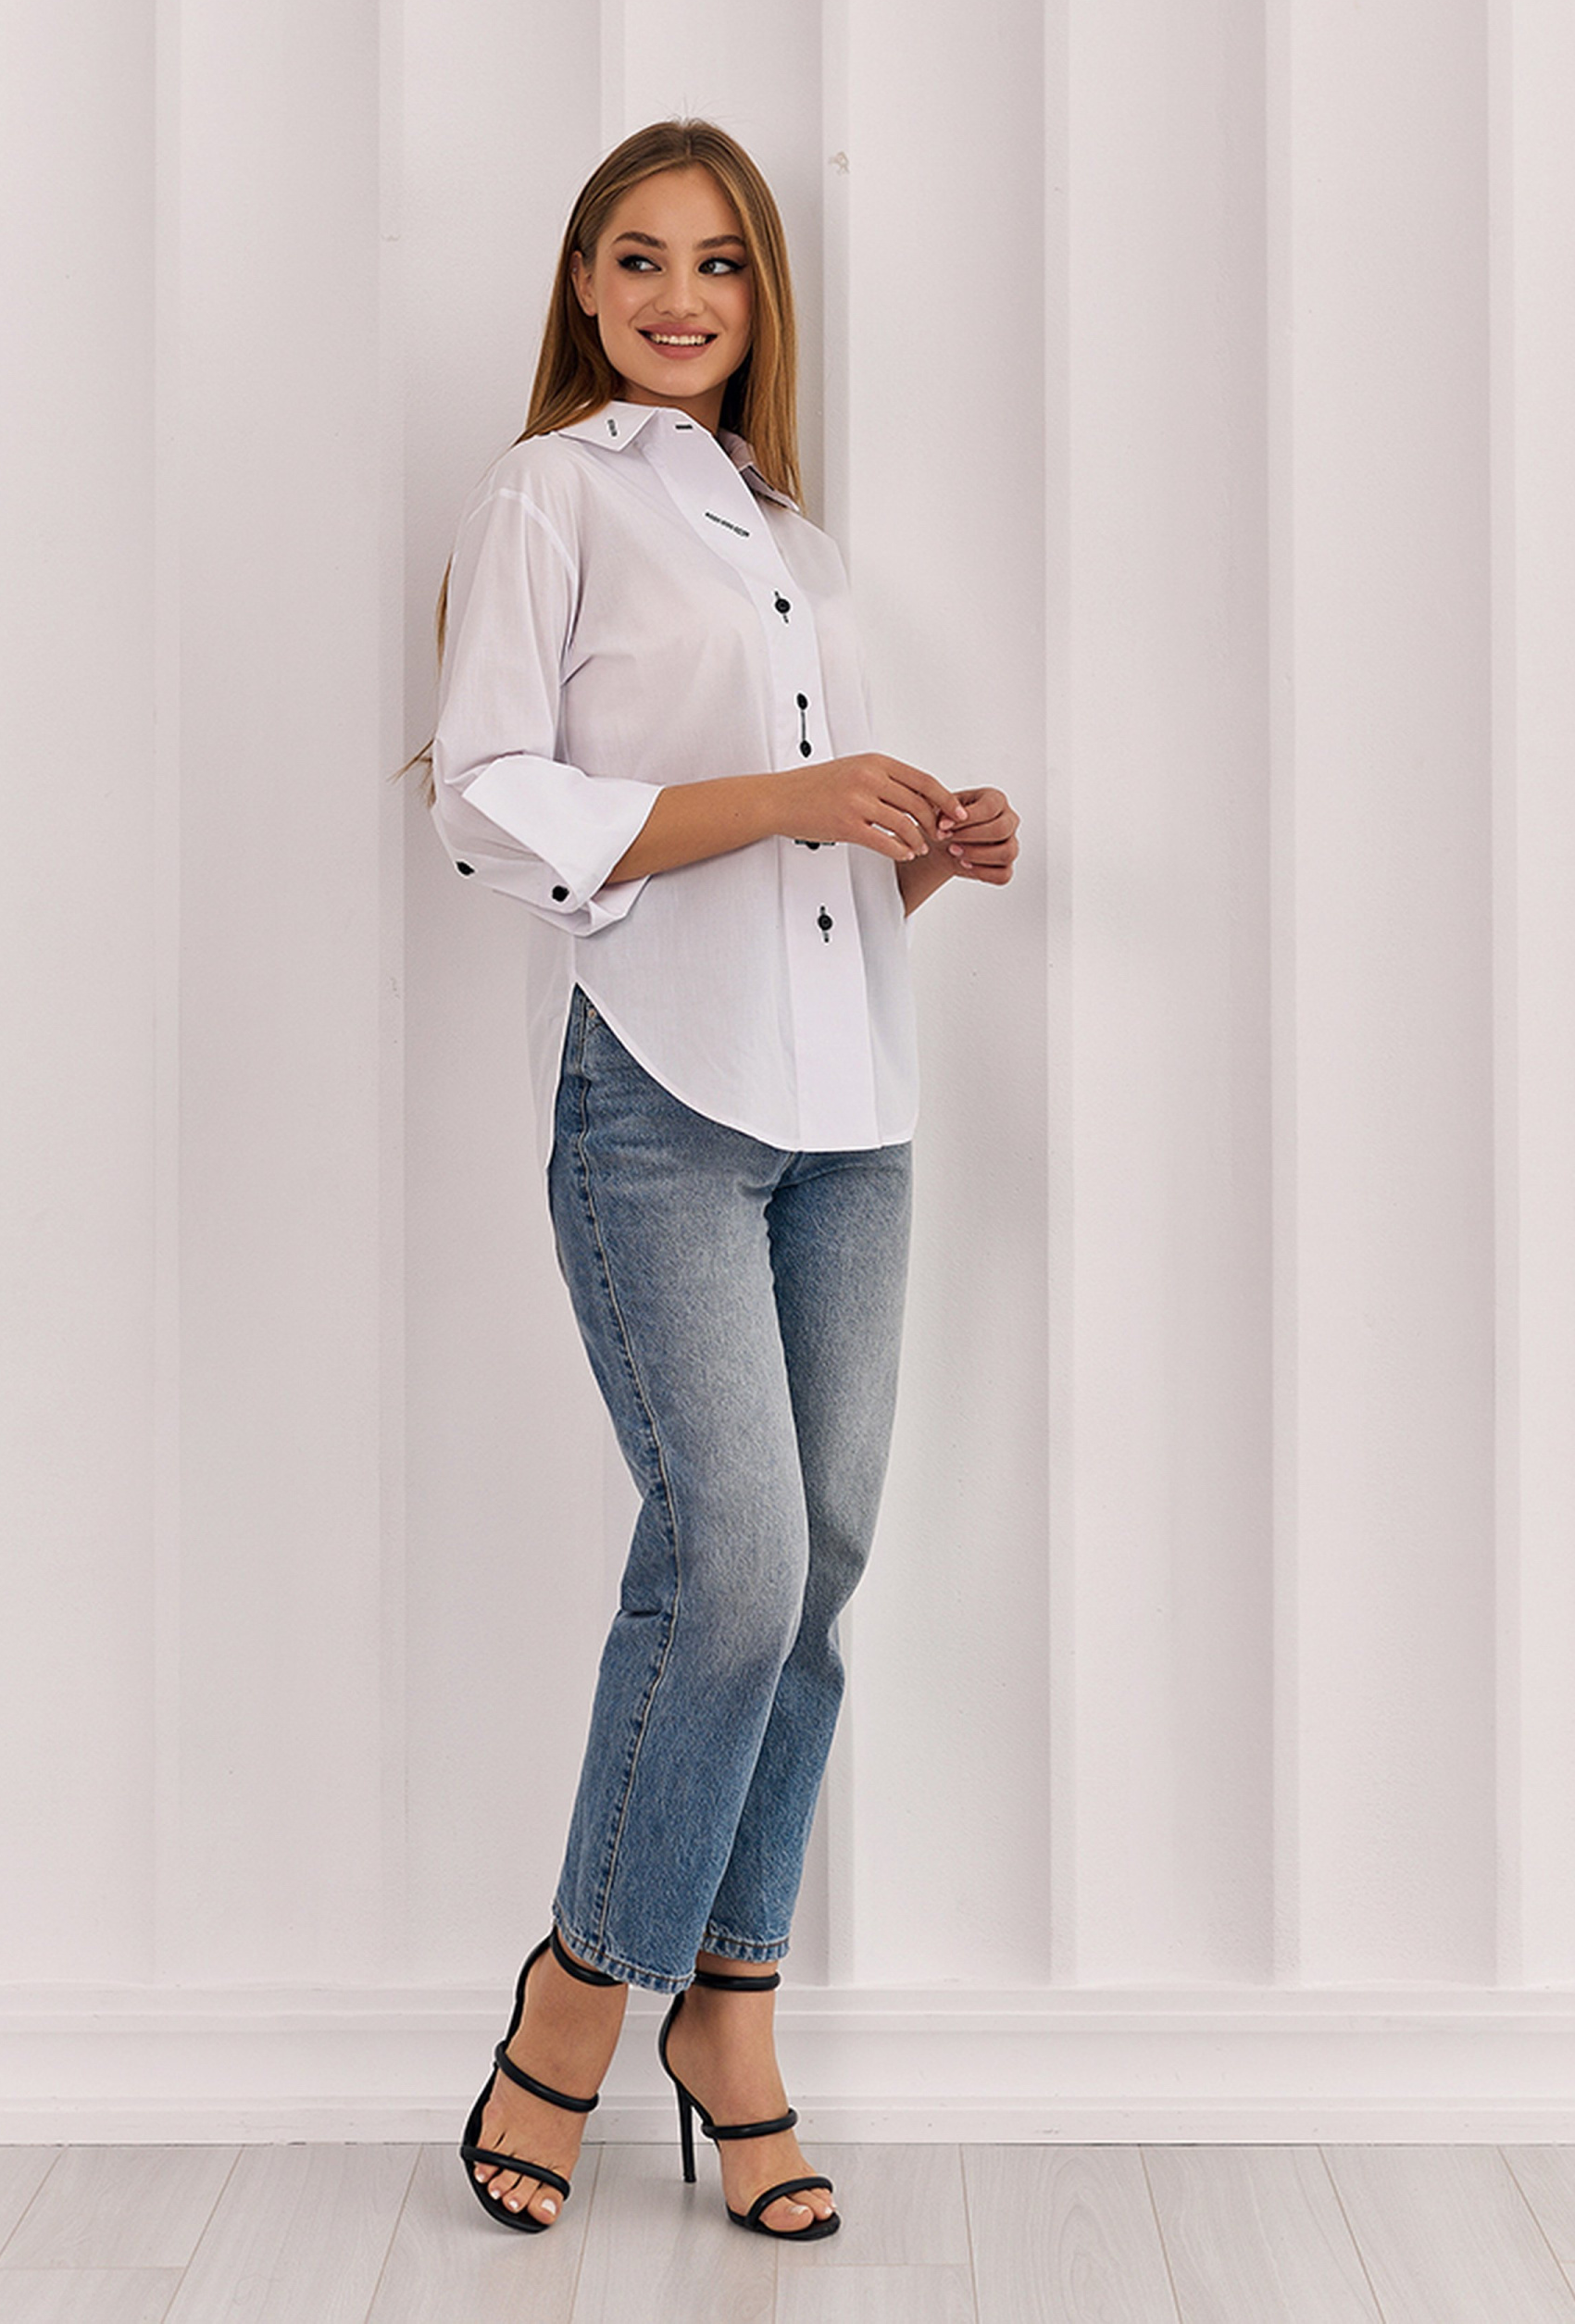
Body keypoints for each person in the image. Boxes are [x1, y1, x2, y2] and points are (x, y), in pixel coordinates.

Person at [421, 119, 1019, 2243]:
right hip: (655, 1099)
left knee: (817, 1567)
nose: (679, 297)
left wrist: (913, 856)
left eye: (720, 264)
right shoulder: (545, 497)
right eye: (638, 258)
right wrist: (784, 793)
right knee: (733, 1560)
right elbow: (488, 802)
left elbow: (799, 882)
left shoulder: (794, 542)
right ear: (582, 288)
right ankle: (580, 1993)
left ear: (763, 299)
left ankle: (729, 2014)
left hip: (848, 1100)